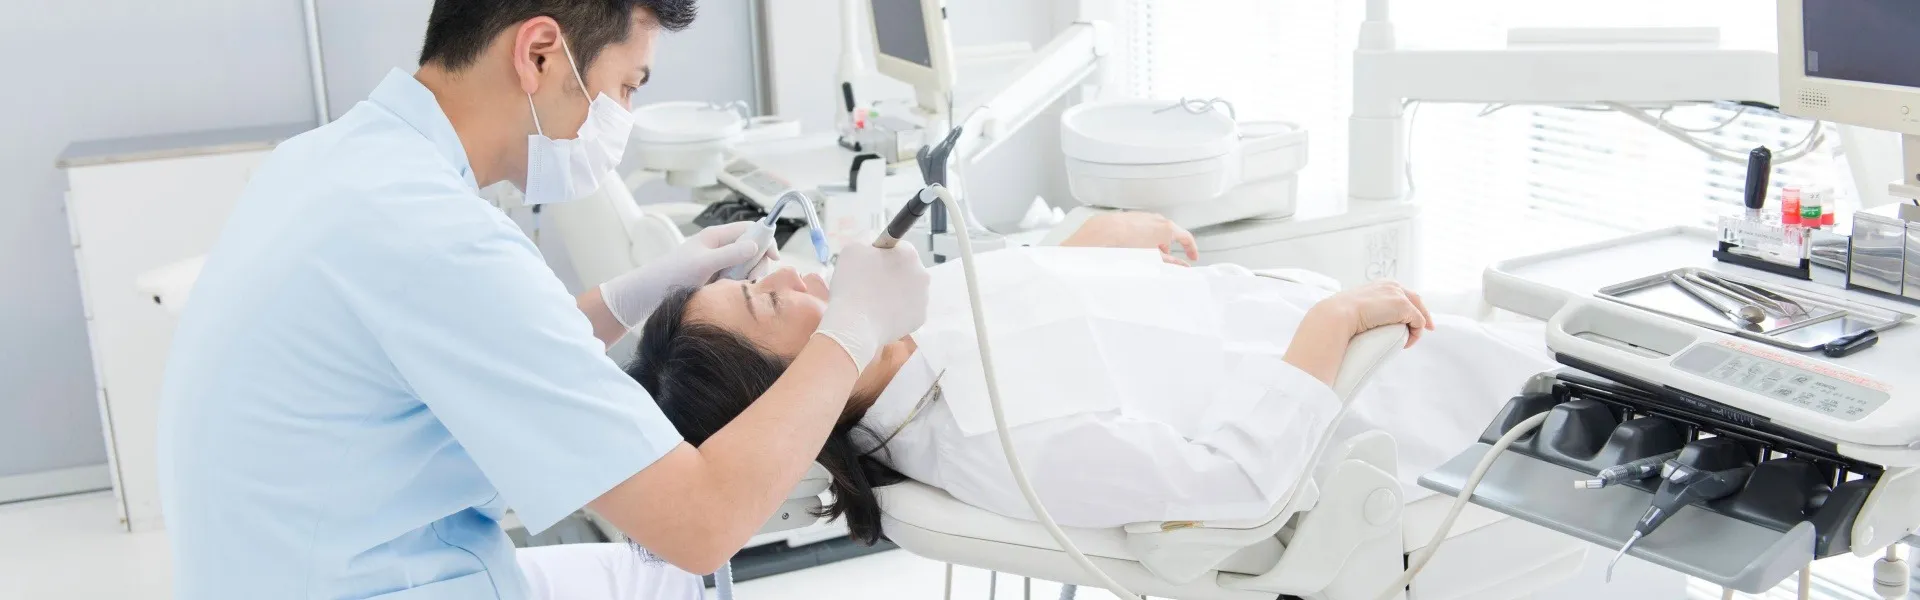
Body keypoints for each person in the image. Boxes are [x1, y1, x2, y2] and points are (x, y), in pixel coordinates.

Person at [156, 2, 932, 599]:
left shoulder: (332, 162)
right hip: (374, 579)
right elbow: (701, 525)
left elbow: (480, 345)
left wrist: (631, 294)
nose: (622, 117)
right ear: (538, 54)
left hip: (306, 565)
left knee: (657, 581)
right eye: (625, 87)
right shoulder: (440, 239)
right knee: (680, 573)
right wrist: (852, 328)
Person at [628, 212, 1555, 544]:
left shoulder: (908, 331)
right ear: (788, 403)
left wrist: (1078, 248)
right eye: (767, 305)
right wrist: (1331, 325)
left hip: (1364, 330)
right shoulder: (993, 441)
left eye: (762, 276)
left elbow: (1032, 329)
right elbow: (1235, 483)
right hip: (1415, 412)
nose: (795, 277)